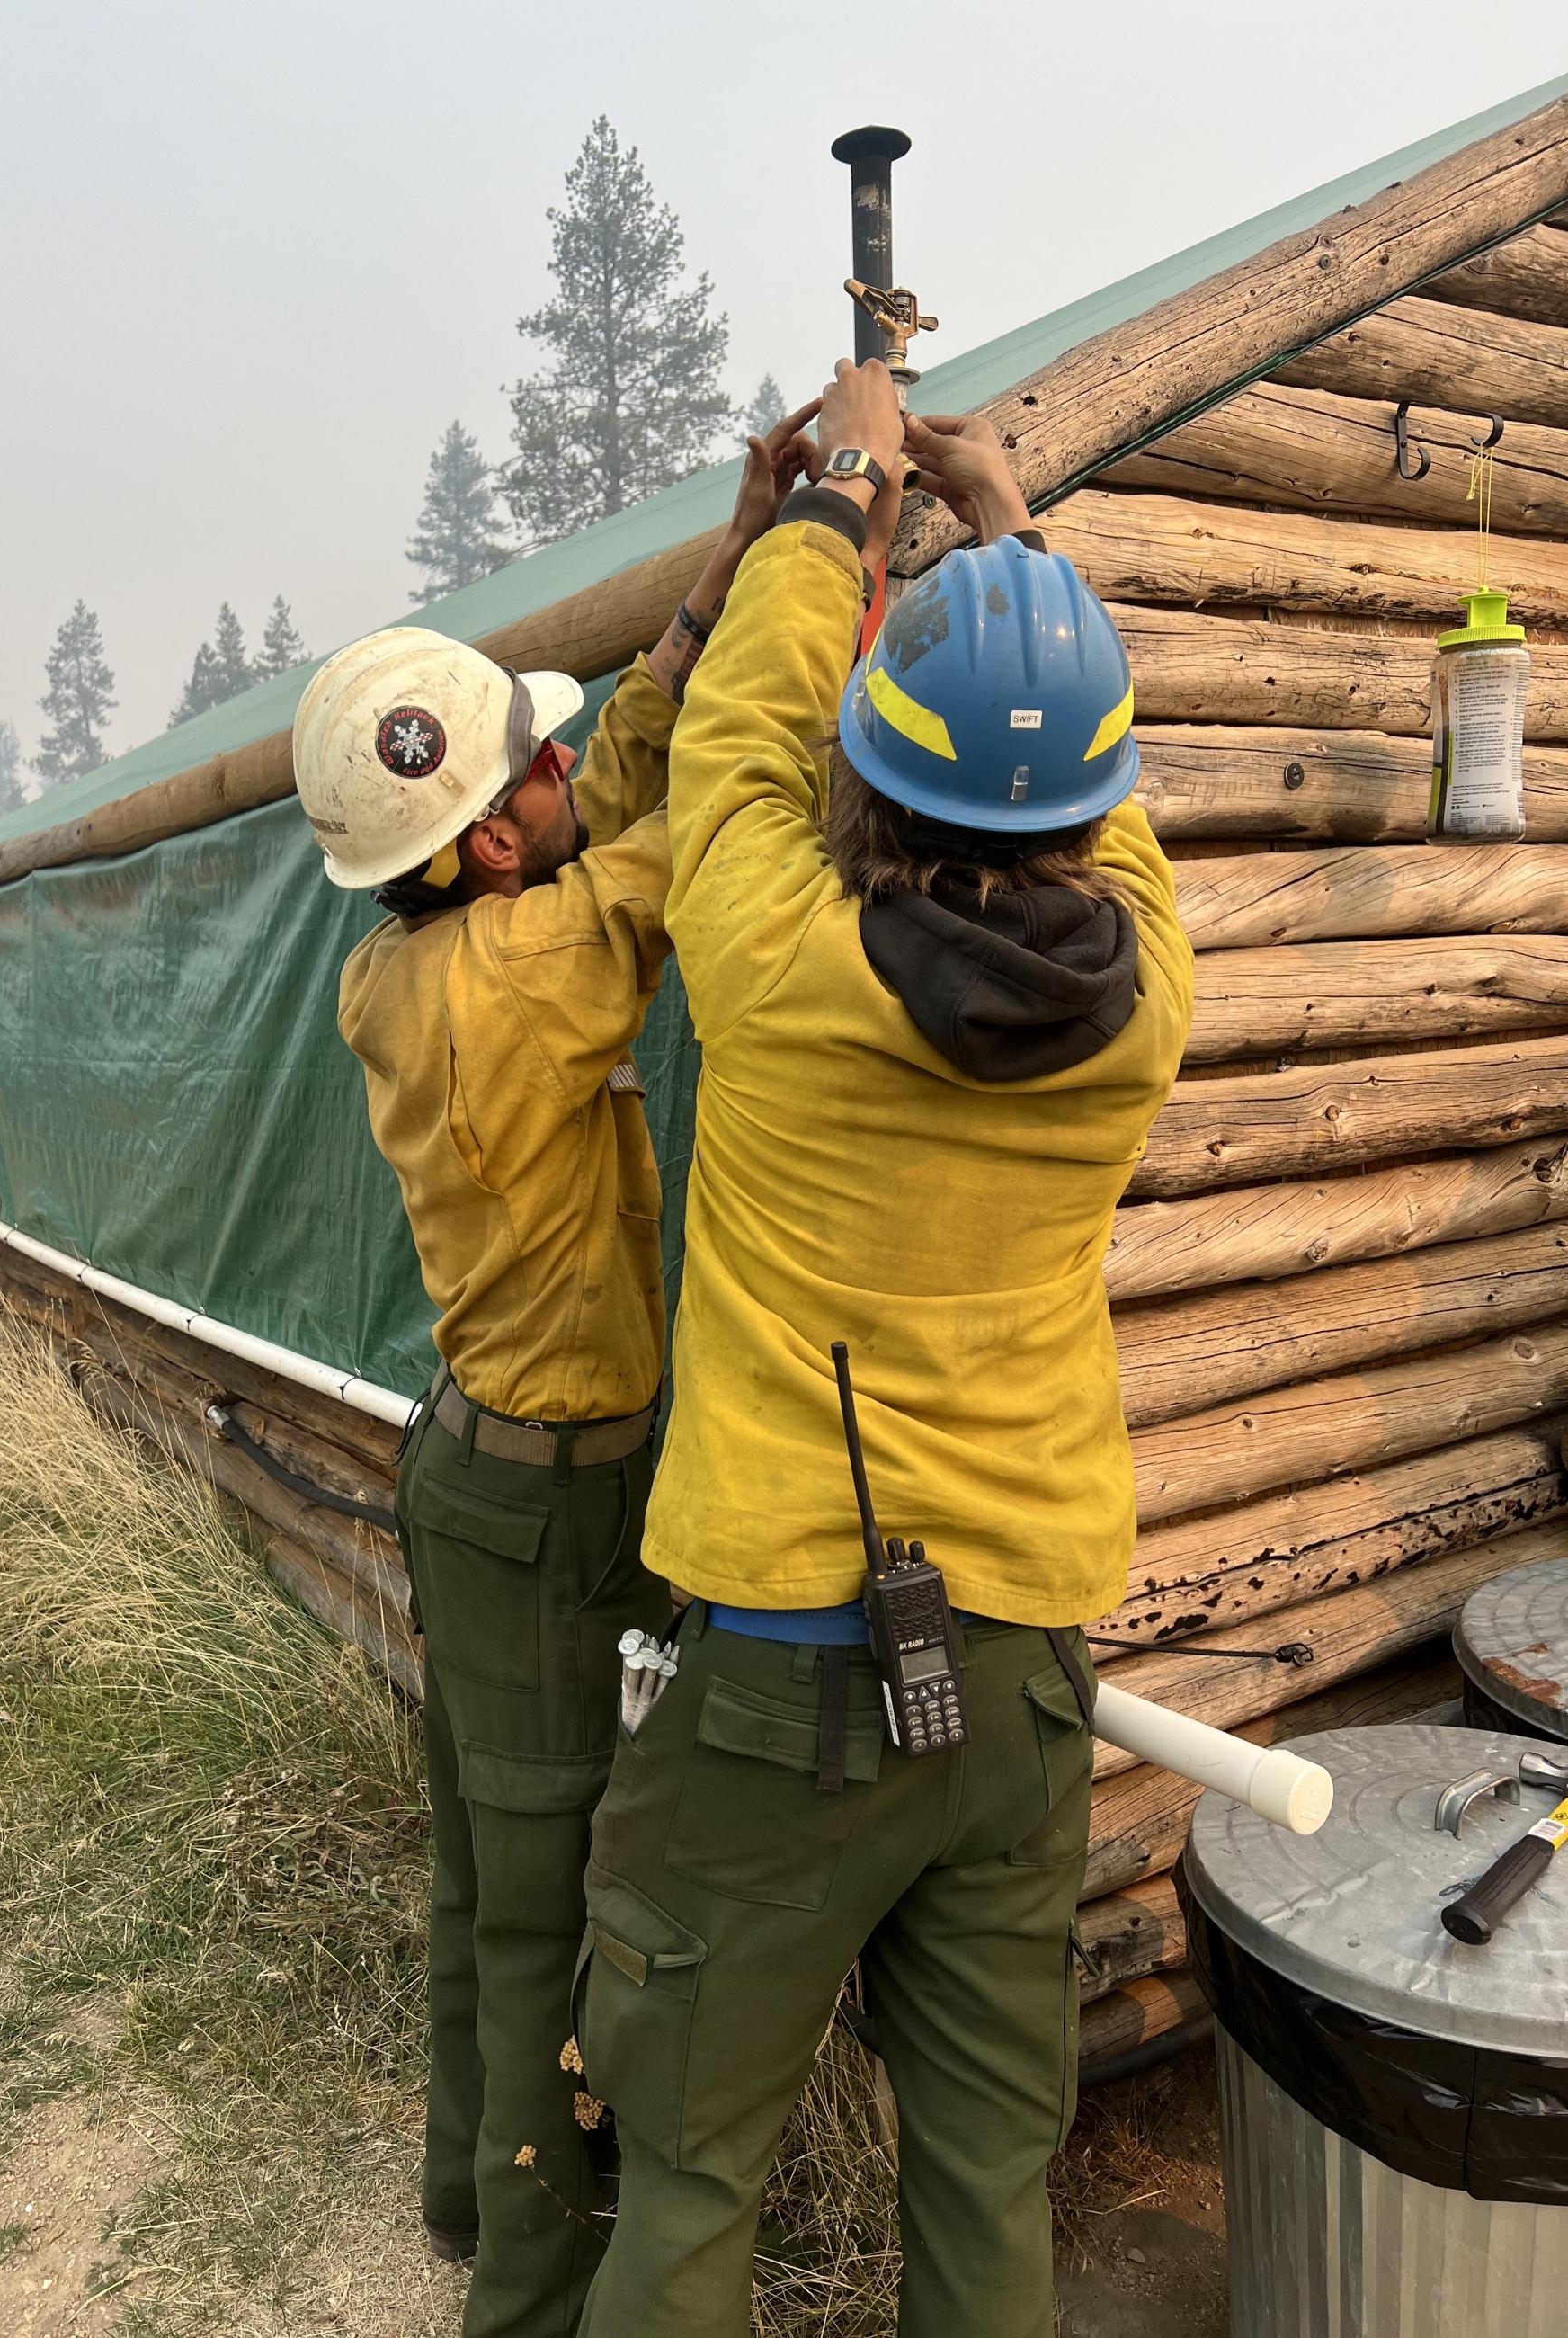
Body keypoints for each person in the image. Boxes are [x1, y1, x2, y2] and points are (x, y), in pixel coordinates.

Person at [575, 361, 1194, 2338]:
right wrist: (1010, 532)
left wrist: (843, 488)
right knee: (987, 2181)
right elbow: (1105, 796)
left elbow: (739, 741)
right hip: (1015, 1689)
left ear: (877, 771)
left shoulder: (773, 962)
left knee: (686, 2178)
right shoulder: (1145, 1016)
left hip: (783, 1679)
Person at [290, 406, 824, 2338]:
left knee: (475, 1855)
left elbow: (597, 787)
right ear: (490, 841)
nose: (558, 768)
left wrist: (724, 551)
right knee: (541, 1914)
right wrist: (827, 552)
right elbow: (706, 826)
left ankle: (461, 2180)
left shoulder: (403, 966)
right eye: (527, 771)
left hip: (469, 1471)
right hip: (556, 1501)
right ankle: (527, 2289)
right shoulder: (538, 961)